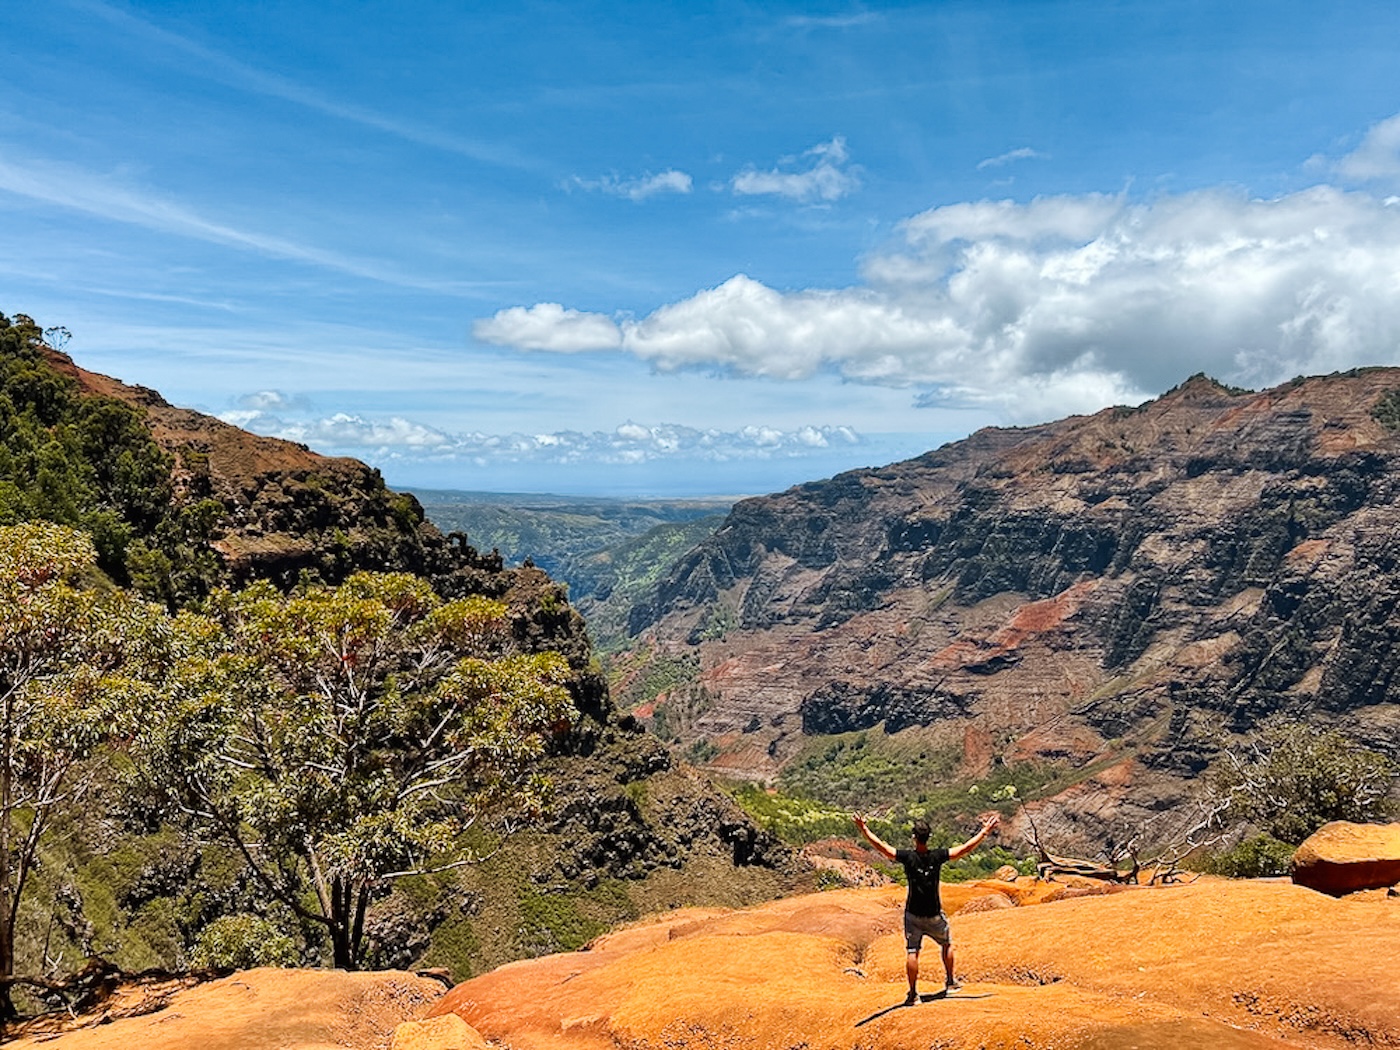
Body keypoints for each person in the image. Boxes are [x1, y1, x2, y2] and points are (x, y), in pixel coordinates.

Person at [853, 811, 1001, 1004]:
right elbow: (964, 849)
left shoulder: (908, 857)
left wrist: (864, 829)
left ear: (914, 837)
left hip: (913, 913)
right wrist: (984, 832)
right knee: (946, 944)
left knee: (912, 951)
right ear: (929, 837)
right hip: (933, 914)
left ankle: (913, 994)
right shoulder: (937, 856)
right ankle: (950, 982)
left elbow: (883, 848)